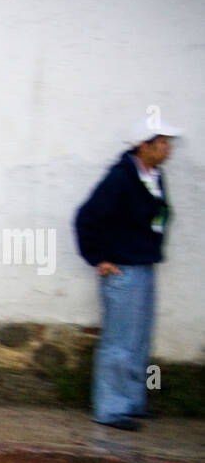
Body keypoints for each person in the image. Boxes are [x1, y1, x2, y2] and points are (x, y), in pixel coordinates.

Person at [75, 117, 182, 431]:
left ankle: (134, 402)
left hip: (143, 266)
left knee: (138, 340)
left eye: (168, 143)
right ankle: (110, 410)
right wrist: (98, 258)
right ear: (143, 145)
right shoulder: (120, 178)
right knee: (119, 342)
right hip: (124, 270)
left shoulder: (154, 176)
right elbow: (86, 217)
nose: (168, 149)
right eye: (162, 142)